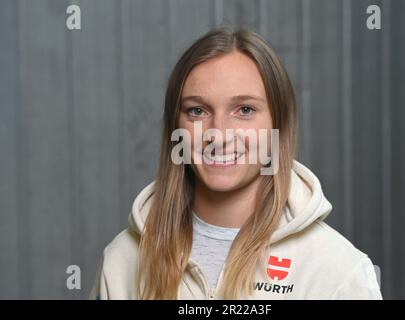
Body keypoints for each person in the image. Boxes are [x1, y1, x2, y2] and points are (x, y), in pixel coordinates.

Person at [90, 26, 382, 300]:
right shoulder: (122, 261)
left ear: (277, 125)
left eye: (244, 110)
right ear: (175, 127)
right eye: (198, 111)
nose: (218, 134)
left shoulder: (337, 271)